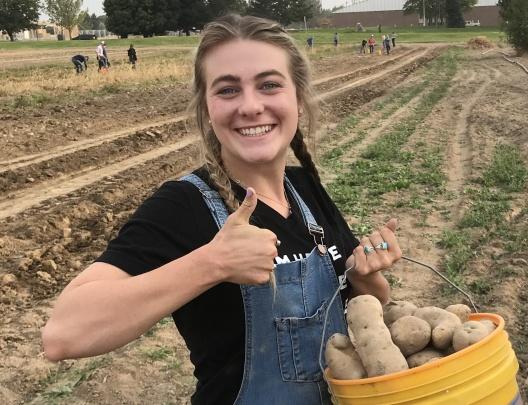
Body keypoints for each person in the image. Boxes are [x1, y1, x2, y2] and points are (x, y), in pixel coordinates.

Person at [42, 14, 400, 405]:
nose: (250, 106)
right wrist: (211, 263)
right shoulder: (183, 205)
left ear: (297, 97)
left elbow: (366, 310)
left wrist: (367, 278)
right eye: (228, 90)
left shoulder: (304, 187)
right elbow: (64, 334)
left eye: (269, 85)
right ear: (207, 109)